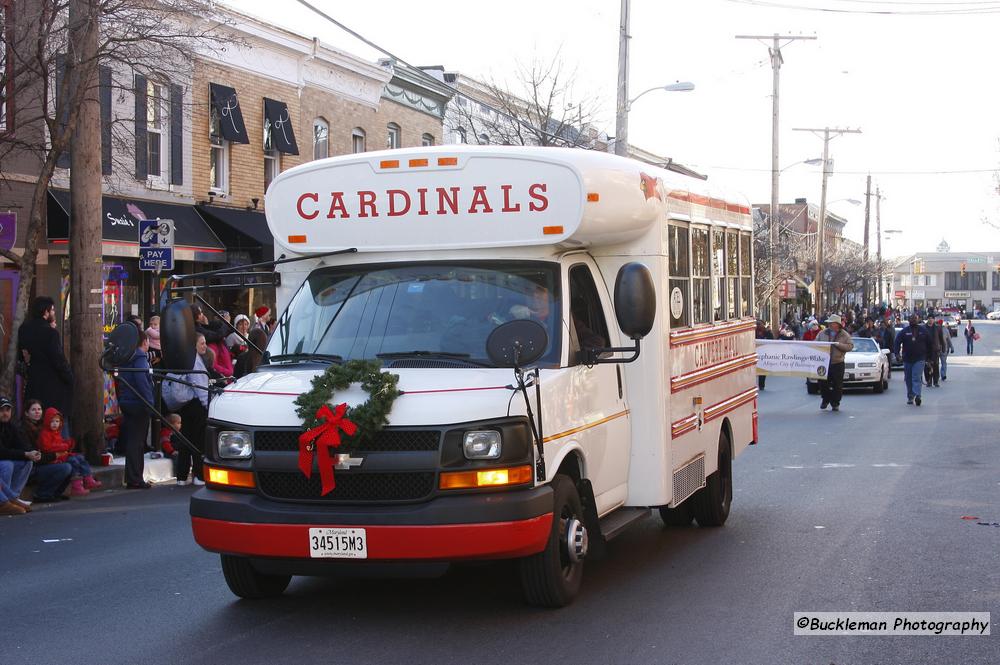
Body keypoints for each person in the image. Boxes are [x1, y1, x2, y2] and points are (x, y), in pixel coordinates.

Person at [17, 296, 73, 426]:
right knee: (55, 422)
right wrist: (70, 377)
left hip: (33, 382)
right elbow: (58, 359)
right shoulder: (50, 333)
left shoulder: (24, 329)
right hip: (52, 385)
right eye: (52, 310)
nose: (53, 313)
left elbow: (22, 355)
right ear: (46, 312)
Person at [163, 334, 210, 485]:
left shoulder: (183, 357)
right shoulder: (195, 360)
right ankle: (198, 475)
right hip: (196, 403)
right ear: (194, 345)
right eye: (202, 343)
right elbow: (199, 385)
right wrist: (206, 405)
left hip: (185, 404)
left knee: (186, 438)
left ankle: (182, 476)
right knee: (198, 440)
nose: (205, 346)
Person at [116, 328, 155, 489]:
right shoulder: (139, 357)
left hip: (127, 401)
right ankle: (135, 477)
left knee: (134, 439)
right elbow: (142, 381)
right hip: (138, 402)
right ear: (144, 342)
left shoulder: (127, 357)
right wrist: (149, 402)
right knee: (137, 441)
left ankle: (133, 476)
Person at [37, 407, 101, 495]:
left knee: (80, 458)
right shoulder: (45, 433)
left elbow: (60, 443)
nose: (55, 424)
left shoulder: (56, 433)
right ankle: (76, 485)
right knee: (73, 461)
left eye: (57, 421)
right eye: (52, 422)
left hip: (62, 454)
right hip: (54, 458)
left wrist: (68, 443)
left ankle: (87, 478)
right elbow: (47, 447)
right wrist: (63, 446)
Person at [0, 396, 38, 514]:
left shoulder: (12, 426)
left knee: (27, 461)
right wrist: (25, 453)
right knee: (7, 465)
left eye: (7, 410)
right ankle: (6, 501)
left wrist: (33, 453)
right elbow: (2, 452)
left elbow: (23, 445)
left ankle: (13, 498)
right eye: (1, 410)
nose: (5, 413)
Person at [815, 314, 854, 412]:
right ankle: (825, 399)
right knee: (822, 382)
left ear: (837, 324)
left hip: (837, 362)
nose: (830, 325)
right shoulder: (822, 333)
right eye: (829, 323)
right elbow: (815, 343)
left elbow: (850, 346)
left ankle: (835, 403)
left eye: (832, 323)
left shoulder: (844, 335)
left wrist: (839, 345)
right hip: (824, 362)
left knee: (838, 384)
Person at [895, 314, 931, 406]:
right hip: (907, 358)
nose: (913, 320)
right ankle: (910, 396)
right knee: (908, 378)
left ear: (918, 320)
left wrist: (930, 357)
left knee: (916, 376)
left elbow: (930, 344)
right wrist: (897, 354)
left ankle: (918, 395)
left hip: (920, 358)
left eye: (915, 319)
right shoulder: (904, 331)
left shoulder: (923, 331)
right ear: (909, 321)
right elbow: (897, 342)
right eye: (911, 319)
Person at [755, 320, 773, 390]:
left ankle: (761, 385)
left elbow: (772, 341)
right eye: (758, 325)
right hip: (755, 353)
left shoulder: (767, 333)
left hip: (764, 354)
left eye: (760, 324)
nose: (759, 326)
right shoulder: (754, 333)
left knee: (762, 370)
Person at [923, 318, 942, 388]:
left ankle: (936, 381)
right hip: (926, 350)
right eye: (929, 318)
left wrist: (943, 349)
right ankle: (928, 381)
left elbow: (941, 339)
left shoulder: (937, 328)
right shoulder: (923, 328)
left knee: (935, 366)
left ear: (934, 320)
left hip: (935, 350)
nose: (930, 320)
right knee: (927, 366)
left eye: (932, 319)